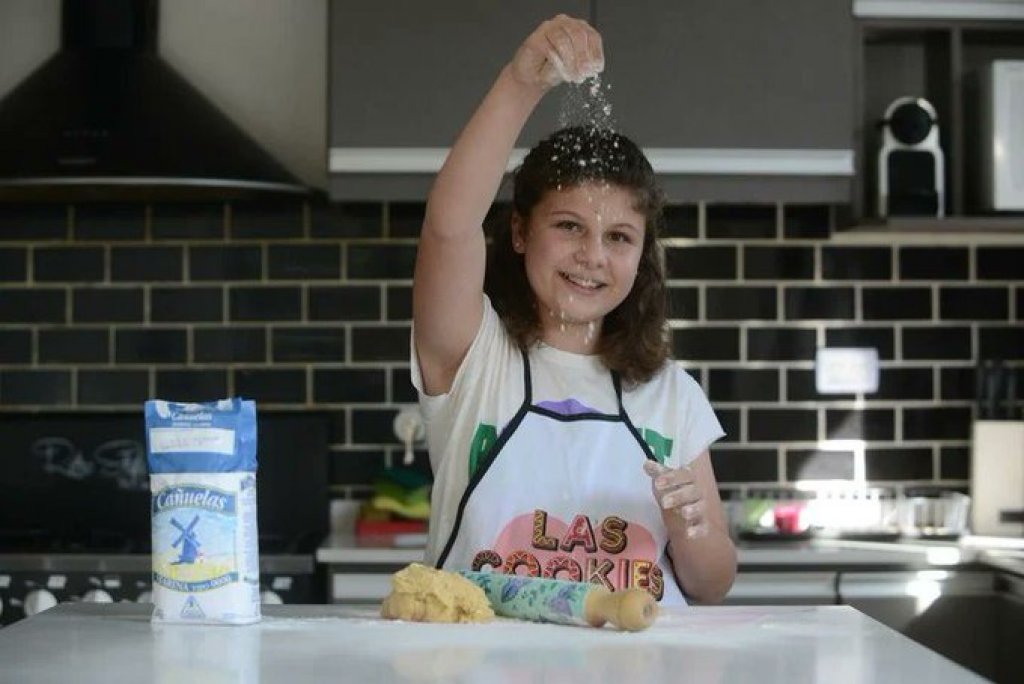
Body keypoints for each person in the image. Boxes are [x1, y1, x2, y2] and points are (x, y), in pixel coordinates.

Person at [411, 14, 736, 605]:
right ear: (518, 232)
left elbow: (712, 586)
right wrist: (521, 82)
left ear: (641, 254)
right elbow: (449, 223)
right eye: (568, 227)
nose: (592, 256)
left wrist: (690, 527)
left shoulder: (670, 395)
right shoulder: (473, 356)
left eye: (619, 237)